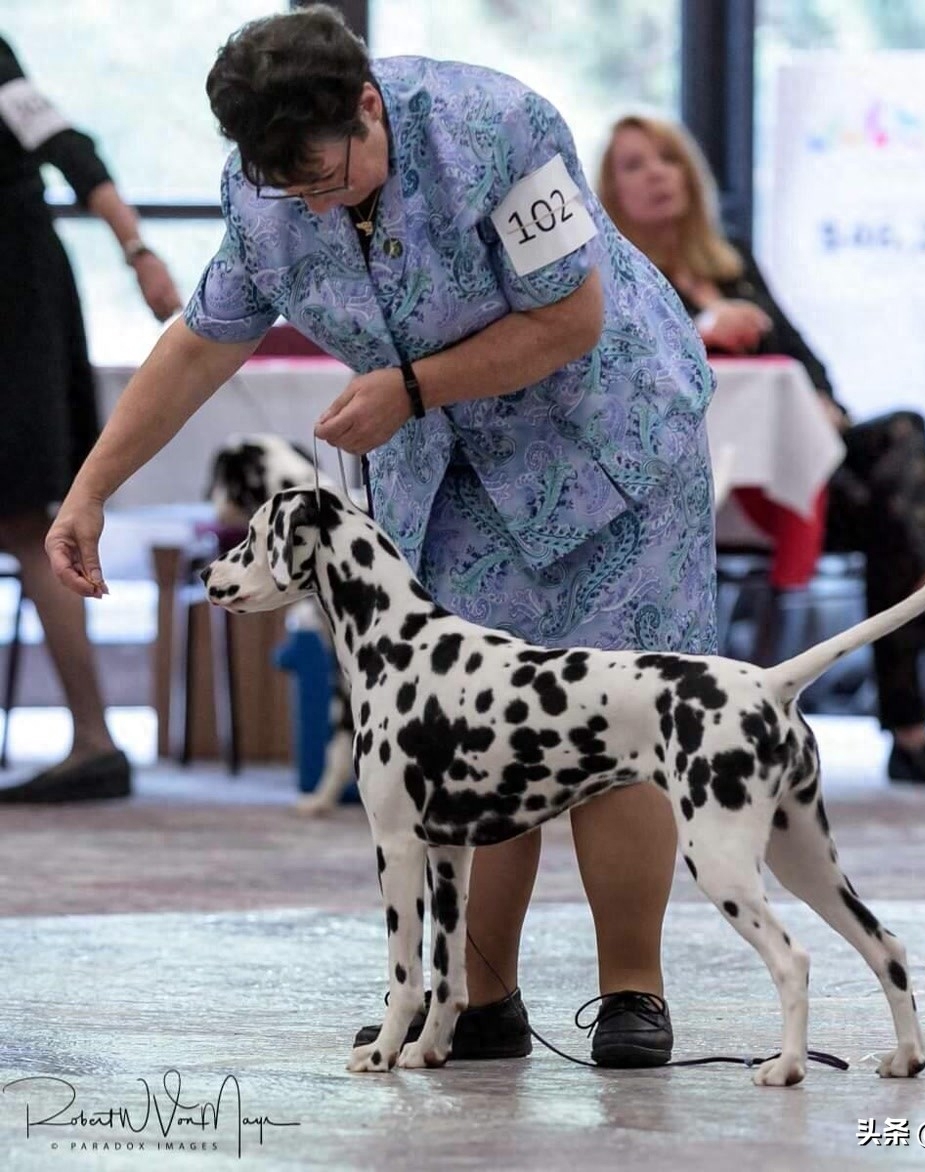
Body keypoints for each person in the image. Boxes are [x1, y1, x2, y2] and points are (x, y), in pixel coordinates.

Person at [43, 7, 718, 1066]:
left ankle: (632, 988)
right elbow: (199, 345)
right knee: (467, 728)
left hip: (606, 444)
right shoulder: (265, 197)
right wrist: (88, 491)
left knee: (615, 712)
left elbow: (573, 318)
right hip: (451, 471)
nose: (310, 199)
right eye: (285, 185)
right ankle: (476, 994)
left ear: (367, 106)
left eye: (323, 172)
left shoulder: (498, 127)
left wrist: (410, 387)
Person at [597, 114, 925, 786]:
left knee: (900, 442)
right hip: (700, 493)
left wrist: (824, 401)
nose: (657, 174)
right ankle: (917, 699)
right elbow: (618, 365)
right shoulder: (612, 274)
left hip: (795, 475)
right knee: (892, 520)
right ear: (610, 187)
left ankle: (918, 676)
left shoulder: (733, 264)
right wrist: (703, 323)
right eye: (635, 165)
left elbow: (805, 362)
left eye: (667, 158)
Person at [0, 35, 182, 804]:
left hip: (13, 302)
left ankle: (97, 740)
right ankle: (96, 738)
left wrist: (138, 250)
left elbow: (71, 151)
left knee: (21, 515)